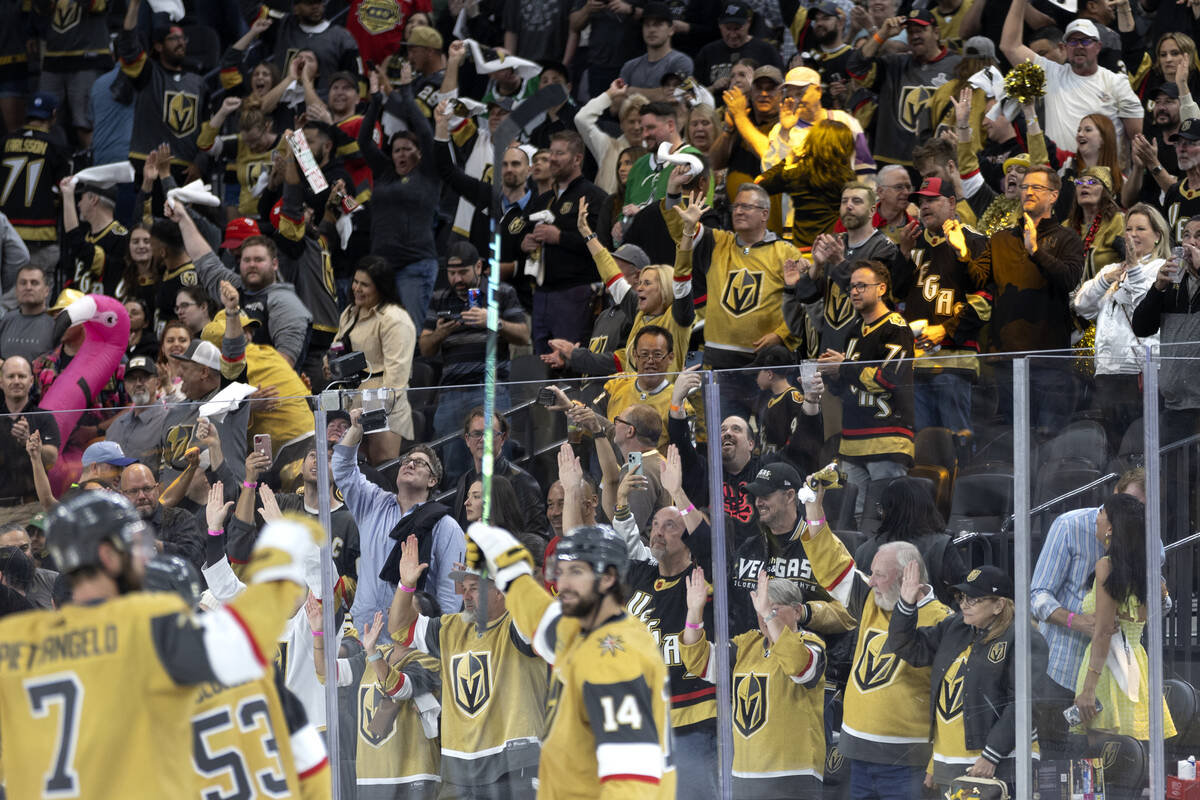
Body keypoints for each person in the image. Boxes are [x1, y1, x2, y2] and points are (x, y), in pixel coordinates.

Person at [0, 491, 327, 798]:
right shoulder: (151, 635)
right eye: (135, 546)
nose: (144, 555)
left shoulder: (20, 644)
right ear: (109, 555)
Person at [463, 521, 677, 796]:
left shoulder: (615, 658)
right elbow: (544, 618)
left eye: (575, 572)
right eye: (559, 572)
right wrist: (509, 569)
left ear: (609, 577)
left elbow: (632, 778)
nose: (562, 583)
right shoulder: (588, 630)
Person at [799, 471, 952, 799]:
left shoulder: (941, 621)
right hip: (859, 755)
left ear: (906, 578)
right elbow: (833, 564)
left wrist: (940, 757)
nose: (869, 581)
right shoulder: (872, 600)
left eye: (878, 575)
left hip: (907, 760)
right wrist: (814, 508)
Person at [388, 534, 549, 796]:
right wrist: (406, 585)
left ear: (499, 591)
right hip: (459, 770)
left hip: (513, 767)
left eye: (474, 587)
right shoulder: (451, 627)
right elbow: (398, 628)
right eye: (465, 588)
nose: (466, 595)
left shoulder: (519, 625)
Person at [888, 563, 1050, 796]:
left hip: (999, 764)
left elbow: (1023, 704)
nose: (963, 603)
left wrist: (991, 755)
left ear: (998, 605)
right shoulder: (956, 627)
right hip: (951, 763)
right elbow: (908, 647)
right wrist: (906, 604)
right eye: (962, 596)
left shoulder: (1023, 638)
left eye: (973, 599)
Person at [681, 567, 826, 799]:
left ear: (797, 611)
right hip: (745, 775)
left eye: (774, 609)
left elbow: (800, 667)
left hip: (794, 775)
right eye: (760, 610)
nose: (764, 617)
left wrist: (768, 615)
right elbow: (699, 661)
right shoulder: (747, 644)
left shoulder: (810, 643)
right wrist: (694, 612)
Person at [1030, 469, 1147, 755]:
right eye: (1129, 505)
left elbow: (1112, 626)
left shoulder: (1140, 544)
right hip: (1068, 667)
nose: (1136, 514)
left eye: (1142, 509)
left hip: (1111, 672)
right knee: (1064, 767)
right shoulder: (1069, 526)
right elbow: (1037, 595)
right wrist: (1076, 620)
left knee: (1110, 765)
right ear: (1115, 496)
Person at [969, 165, 1084, 431]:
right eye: (1025, 187)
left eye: (1036, 187)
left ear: (1054, 196)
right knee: (1012, 440)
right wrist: (963, 252)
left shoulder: (1067, 238)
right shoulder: (1000, 240)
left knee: (1048, 438)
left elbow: (1069, 279)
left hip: (1049, 362)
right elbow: (976, 279)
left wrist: (1035, 251)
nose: (1028, 192)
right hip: (1006, 361)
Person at [333, 408, 465, 627]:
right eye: (406, 460)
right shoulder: (373, 502)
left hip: (411, 641)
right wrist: (356, 430)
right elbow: (342, 470)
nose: (409, 464)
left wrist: (435, 639)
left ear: (432, 481)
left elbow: (450, 595)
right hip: (365, 630)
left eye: (420, 463)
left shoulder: (446, 526)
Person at [1071, 493, 1176, 742]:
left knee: (1103, 761)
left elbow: (1105, 630)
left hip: (1107, 668)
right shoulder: (1146, 569)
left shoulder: (1106, 566)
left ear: (1110, 527)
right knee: (1135, 761)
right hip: (1137, 664)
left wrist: (1088, 689)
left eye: (1102, 513)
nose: (1096, 518)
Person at [894, 176, 990, 435]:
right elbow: (895, 295)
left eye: (932, 200)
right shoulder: (912, 242)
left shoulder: (974, 241)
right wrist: (902, 254)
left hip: (955, 363)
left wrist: (945, 330)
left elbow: (984, 302)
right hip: (916, 362)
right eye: (921, 201)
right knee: (923, 442)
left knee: (955, 438)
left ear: (950, 202)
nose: (924, 206)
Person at [816, 260, 915, 510]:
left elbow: (889, 378)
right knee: (859, 518)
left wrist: (845, 368)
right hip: (852, 442)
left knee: (890, 515)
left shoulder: (896, 328)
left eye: (861, 285)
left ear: (881, 289)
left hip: (888, 439)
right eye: (851, 287)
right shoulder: (853, 332)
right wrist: (830, 375)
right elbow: (845, 389)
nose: (854, 292)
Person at [171, 203, 313, 369]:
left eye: (258, 260)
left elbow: (284, 364)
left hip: (270, 390)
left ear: (274, 264)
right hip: (240, 388)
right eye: (246, 260)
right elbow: (204, 259)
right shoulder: (235, 287)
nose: (252, 264)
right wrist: (182, 218)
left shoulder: (285, 302)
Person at [358, 62, 441, 330]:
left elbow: (426, 133)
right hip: (381, 268)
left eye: (407, 149)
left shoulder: (429, 172)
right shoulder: (385, 173)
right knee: (380, 334)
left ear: (419, 153)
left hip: (415, 267)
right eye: (396, 150)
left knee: (410, 333)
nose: (401, 155)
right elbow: (364, 142)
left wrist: (406, 94)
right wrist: (375, 103)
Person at [1073, 204, 1165, 443]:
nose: (1133, 234)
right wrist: (1105, 279)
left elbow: (1145, 306)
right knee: (1112, 440)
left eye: (1141, 229)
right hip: (1106, 370)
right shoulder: (1112, 268)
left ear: (1157, 236)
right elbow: (1082, 305)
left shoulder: (1161, 268)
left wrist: (1133, 269)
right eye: (1129, 228)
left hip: (1139, 371)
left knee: (1139, 440)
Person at [420, 241, 529, 437]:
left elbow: (523, 336)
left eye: (462, 272)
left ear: (478, 266)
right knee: (453, 465)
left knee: (494, 458)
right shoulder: (439, 298)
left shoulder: (502, 293)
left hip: (490, 390)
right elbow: (425, 349)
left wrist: (493, 321)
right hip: (451, 392)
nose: (456, 279)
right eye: (451, 273)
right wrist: (440, 334)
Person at [1000, 9, 1142, 158]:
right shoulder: (1050, 73)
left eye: (1086, 41)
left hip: (1104, 177)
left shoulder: (1117, 83)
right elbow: (1010, 46)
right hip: (1061, 176)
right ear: (1066, 48)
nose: (1079, 46)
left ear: (1098, 47)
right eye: (1073, 41)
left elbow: (1137, 139)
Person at [789, 181, 900, 355]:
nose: (848, 206)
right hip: (829, 347)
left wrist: (839, 261)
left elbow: (870, 294)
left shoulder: (884, 248)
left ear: (872, 211)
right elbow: (805, 296)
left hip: (864, 350)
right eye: (844, 201)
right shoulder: (834, 243)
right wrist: (817, 266)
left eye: (856, 201)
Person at [523, 131, 608, 354]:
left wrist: (559, 237)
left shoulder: (593, 196)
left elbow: (602, 245)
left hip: (575, 293)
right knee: (540, 364)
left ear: (577, 159)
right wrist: (528, 244)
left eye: (559, 153)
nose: (552, 158)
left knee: (570, 361)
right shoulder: (542, 200)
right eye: (551, 152)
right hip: (541, 295)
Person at [847, 8, 961, 166]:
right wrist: (882, 34)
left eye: (920, 30)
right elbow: (855, 68)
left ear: (936, 32)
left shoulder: (957, 66)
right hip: (891, 160)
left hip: (937, 162)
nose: (915, 36)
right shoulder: (894, 64)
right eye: (911, 32)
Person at [334, 256, 417, 464]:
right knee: (352, 467)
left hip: (384, 407)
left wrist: (373, 418)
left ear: (381, 287)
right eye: (355, 282)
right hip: (352, 403)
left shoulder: (395, 319)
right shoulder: (349, 313)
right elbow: (338, 348)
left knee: (382, 469)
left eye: (365, 285)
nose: (357, 289)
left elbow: (396, 380)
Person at [117, 0, 209, 181]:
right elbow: (128, 46)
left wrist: (200, 162)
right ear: (158, 46)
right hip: (147, 163)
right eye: (174, 39)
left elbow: (208, 129)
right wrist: (134, 6)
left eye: (183, 38)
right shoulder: (148, 73)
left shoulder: (198, 83)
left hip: (184, 168)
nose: (181, 43)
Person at [1131, 223, 1200, 444]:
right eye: (1186, 236)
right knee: (1175, 476)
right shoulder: (1173, 282)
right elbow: (1142, 328)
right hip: (1175, 405)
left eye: (1199, 236)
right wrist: (1158, 288)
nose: (1191, 242)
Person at [755, 118, 859, 249]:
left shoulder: (794, 174)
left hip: (802, 249)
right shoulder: (848, 178)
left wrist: (787, 161)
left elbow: (759, 186)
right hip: (834, 248)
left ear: (812, 142)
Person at [450, 408, 549, 538]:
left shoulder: (521, 481)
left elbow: (538, 539)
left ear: (502, 438)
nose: (483, 439)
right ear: (467, 440)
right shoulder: (465, 480)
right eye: (477, 434)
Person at [0, 93, 69, 268]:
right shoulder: (55, 146)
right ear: (54, 114)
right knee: (37, 290)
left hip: (5, 231)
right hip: (41, 234)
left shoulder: (4, 143)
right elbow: (65, 190)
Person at [0, 356, 59, 523]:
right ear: (1, 382)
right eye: (11, 376)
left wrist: (29, 441)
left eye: (22, 376)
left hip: (33, 509)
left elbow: (52, 459)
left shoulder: (44, 418)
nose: (16, 381)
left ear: (31, 381)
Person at [118, 463, 205, 572]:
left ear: (157, 489)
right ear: (121, 495)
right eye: (133, 491)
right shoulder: (117, 527)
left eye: (147, 488)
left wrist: (155, 546)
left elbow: (196, 559)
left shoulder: (180, 519)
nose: (141, 496)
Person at [270, 0, 360, 95]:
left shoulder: (342, 38)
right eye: (309, 3)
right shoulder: (283, 27)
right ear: (295, 8)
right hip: (282, 102)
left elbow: (353, 78)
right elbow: (254, 11)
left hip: (322, 104)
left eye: (319, 2)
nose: (316, 7)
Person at [575, 81, 648, 195]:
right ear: (622, 124)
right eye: (631, 122)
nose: (637, 127)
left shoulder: (656, 153)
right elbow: (581, 119)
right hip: (608, 210)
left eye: (641, 121)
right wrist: (610, 94)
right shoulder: (607, 146)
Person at [60, 181, 129, 296]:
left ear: (93, 199)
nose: (79, 204)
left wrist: (68, 196)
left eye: (81, 198)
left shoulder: (121, 237)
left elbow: (78, 244)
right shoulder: (86, 236)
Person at [693, 2, 782, 88]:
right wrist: (713, 88)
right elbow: (695, 91)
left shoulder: (766, 50)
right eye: (728, 29)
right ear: (720, 25)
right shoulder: (708, 52)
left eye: (737, 29)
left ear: (748, 23)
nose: (733, 35)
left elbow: (779, 84)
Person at [105, 355, 169, 475]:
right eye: (132, 379)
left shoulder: (167, 421)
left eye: (144, 377)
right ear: (125, 385)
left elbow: (169, 477)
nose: (138, 383)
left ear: (157, 382)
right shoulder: (116, 426)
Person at [1066, 167, 1126, 284]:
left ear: (1105, 191)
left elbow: (1132, 262)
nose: (1084, 185)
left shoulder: (1118, 221)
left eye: (1092, 182)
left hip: (1108, 295)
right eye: (1079, 182)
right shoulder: (1067, 226)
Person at [619, 2, 695, 93]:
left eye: (658, 24)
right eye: (647, 25)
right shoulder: (629, 66)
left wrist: (632, 91)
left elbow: (676, 95)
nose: (651, 30)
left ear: (671, 30)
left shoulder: (680, 61)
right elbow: (616, 102)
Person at [0, 265, 54, 362]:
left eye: (34, 283)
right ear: (16, 290)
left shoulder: (55, 322)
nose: (28, 287)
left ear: (46, 291)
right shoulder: (6, 320)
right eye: (23, 283)